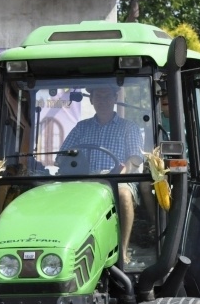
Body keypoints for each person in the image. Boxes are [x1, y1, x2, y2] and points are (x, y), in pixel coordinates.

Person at [57, 85, 144, 264]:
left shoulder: (128, 127)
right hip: (86, 179)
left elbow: (135, 157)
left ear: (114, 99)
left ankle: (123, 252)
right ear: (92, 100)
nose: (102, 100)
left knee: (124, 195)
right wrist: (72, 159)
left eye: (106, 96)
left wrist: (122, 171)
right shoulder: (82, 127)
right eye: (98, 96)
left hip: (118, 178)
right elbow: (61, 156)